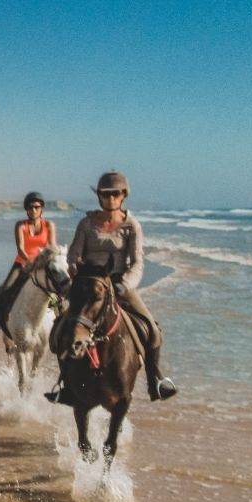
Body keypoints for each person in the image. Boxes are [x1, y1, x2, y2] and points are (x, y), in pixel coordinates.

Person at [58, 170, 177, 401]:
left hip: (120, 285)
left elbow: (137, 262)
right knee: (61, 330)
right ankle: (65, 385)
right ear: (99, 197)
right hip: (89, 286)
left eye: (115, 194)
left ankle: (156, 381)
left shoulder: (132, 225)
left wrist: (124, 285)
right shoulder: (86, 223)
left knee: (153, 332)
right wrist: (77, 271)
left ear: (123, 196)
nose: (110, 199)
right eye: (105, 194)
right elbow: (73, 255)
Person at [0, 191, 56, 341]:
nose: (33, 210)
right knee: (4, 292)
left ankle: (61, 329)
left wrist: (44, 263)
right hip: (22, 263)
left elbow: (52, 248)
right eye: (30, 207)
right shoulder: (20, 225)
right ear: (26, 209)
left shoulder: (49, 225)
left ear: (41, 208)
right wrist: (30, 262)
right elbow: (21, 248)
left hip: (42, 265)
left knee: (61, 292)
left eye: (36, 207)